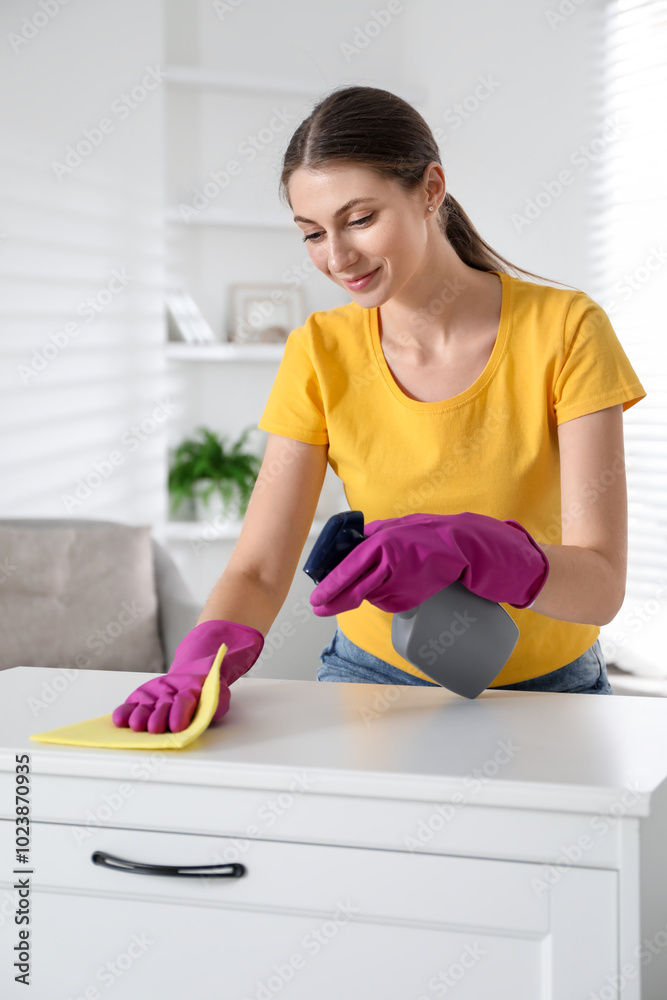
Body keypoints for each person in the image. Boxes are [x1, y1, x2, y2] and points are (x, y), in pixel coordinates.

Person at [112, 85, 647, 734]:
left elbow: (600, 587)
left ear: (430, 189)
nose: (337, 258)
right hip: (371, 682)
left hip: (551, 692)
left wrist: (472, 549)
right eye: (313, 233)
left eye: (360, 219)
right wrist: (201, 661)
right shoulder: (320, 352)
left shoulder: (566, 330)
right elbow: (258, 567)